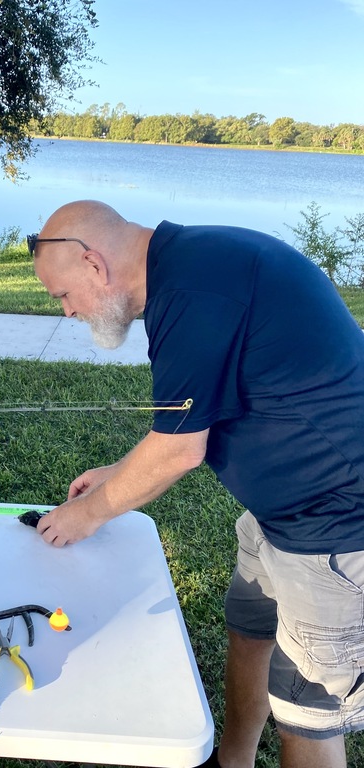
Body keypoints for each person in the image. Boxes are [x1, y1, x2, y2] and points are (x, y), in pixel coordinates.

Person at [29, 200, 364, 768]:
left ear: (93, 264)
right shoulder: (185, 270)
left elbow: (180, 450)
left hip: (335, 526)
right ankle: (231, 762)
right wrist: (116, 474)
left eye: (63, 295)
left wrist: (84, 515)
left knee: (308, 710)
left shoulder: (192, 292)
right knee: (249, 630)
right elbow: (183, 424)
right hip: (276, 514)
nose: (66, 311)